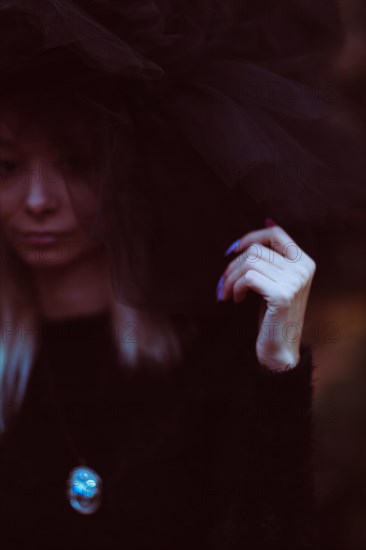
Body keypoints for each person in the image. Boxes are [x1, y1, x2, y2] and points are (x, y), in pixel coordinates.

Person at [0, 1, 363, 549]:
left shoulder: (210, 353)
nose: (37, 201)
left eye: (75, 163)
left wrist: (278, 361)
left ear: (125, 171)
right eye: (6, 167)